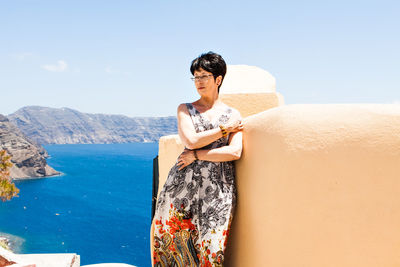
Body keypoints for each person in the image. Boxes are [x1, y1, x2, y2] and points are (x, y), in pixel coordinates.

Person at [151, 52, 243, 267]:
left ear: (218, 79)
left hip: (218, 190)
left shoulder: (233, 115)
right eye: (195, 77)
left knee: (211, 250)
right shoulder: (186, 109)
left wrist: (196, 155)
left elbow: (234, 152)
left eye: (204, 76)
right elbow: (191, 140)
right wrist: (224, 130)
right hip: (182, 188)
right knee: (173, 246)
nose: (199, 82)